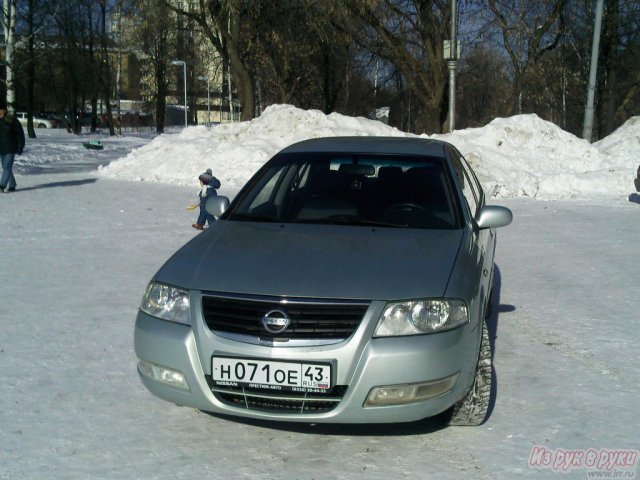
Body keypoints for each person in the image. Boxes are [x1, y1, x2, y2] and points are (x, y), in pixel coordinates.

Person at [0, 102, 26, 193]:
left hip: (11, 147)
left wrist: (20, 146)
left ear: (5, 110)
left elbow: (19, 134)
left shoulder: (11, 120)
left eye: (1, 110)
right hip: (2, 148)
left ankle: (2, 185)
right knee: (6, 167)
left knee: (7, 166)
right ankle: (12, 184)